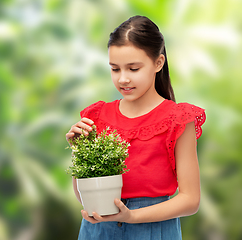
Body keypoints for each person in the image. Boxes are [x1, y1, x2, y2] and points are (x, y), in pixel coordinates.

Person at [65, 15, 206, 240]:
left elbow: (190, 200)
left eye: (133, 69)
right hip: (99, 230)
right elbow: (85, 196)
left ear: (158, 63)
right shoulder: (97, 116)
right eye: (115, 69)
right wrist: (79, 152)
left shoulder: (177, 119)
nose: (123, 79)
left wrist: (131, 216)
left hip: (152, 230)